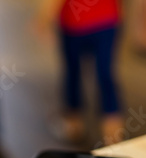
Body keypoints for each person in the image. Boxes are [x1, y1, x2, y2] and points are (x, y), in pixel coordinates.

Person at [36, 0, 124, 145]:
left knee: (73, 74)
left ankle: (74, 127)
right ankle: (114, 134)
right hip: (107, 20)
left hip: (74, 23)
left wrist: (43, 19)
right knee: (105, 74)